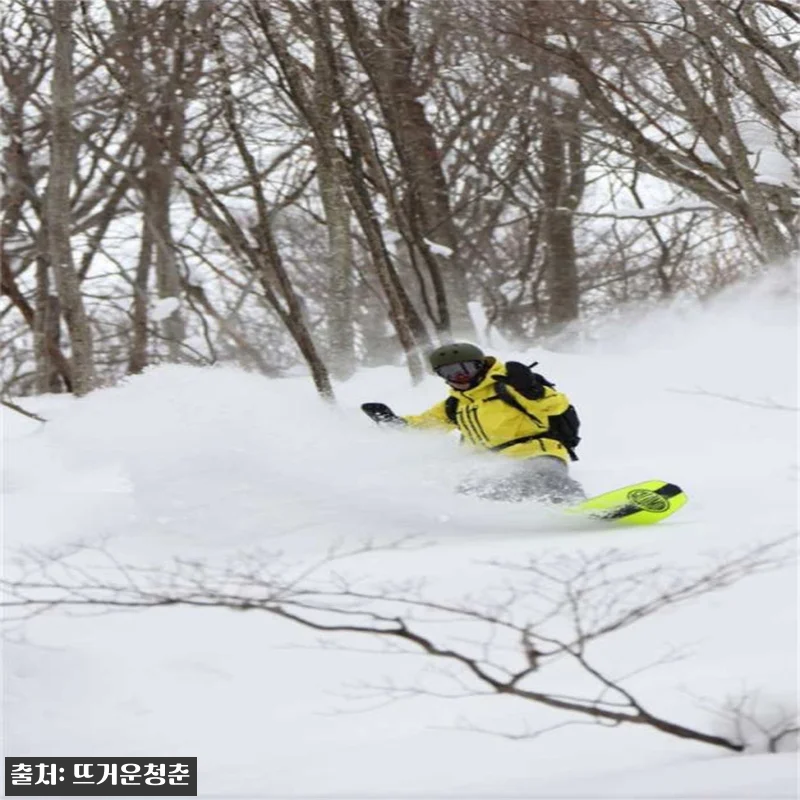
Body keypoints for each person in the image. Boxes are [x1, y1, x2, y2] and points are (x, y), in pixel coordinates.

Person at [362, 342, 586, 504]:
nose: (460, 377)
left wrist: (533, 390)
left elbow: (556, 405)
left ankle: (577, 506)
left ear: (479, 366)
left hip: (535, 451)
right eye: (450, 372)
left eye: (466, 369)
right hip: (491, 464)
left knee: (543, 476)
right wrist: (393, 422)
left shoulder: (508, 386)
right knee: (469, 494)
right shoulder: (455, 405)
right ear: (441, 375)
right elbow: (426, 424)